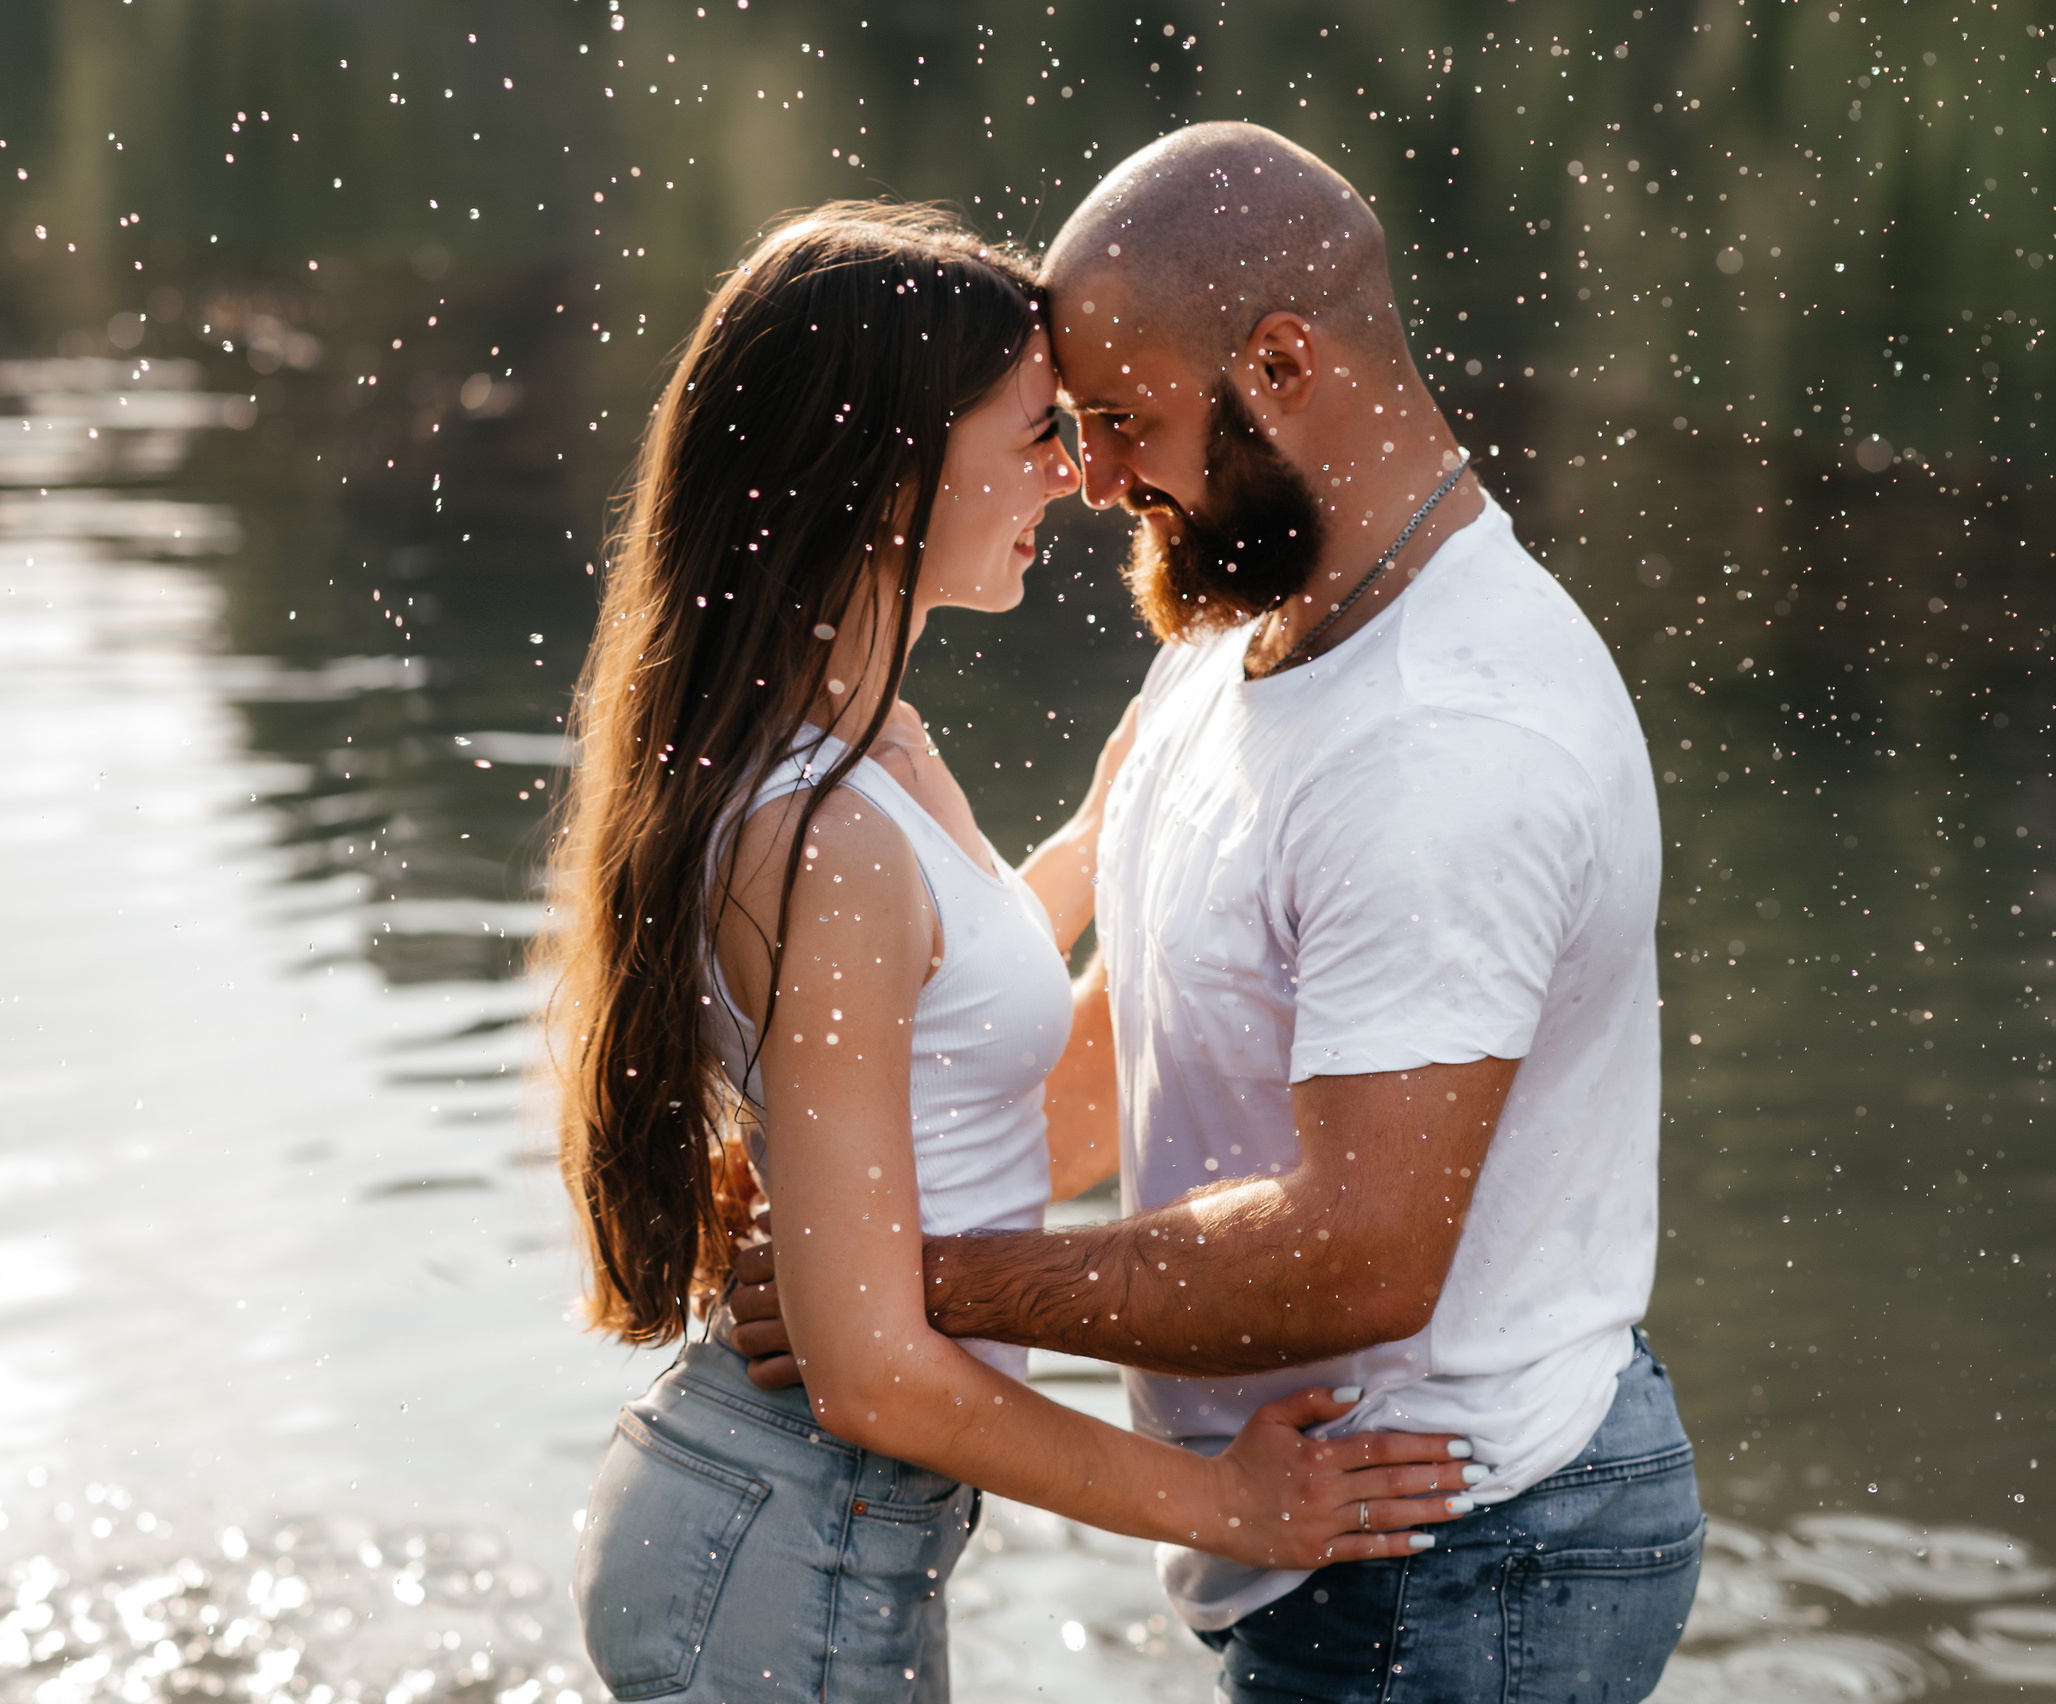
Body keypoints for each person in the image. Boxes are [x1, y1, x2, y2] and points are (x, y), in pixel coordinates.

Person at [730, 129, 1706, 1702]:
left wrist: (918, 1282)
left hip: (1460, 1557)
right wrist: (847, 1242)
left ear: (1283, 362)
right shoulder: (1237, 628)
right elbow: (1146, 1043)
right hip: (1328, 1538)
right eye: (1076, 426)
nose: (1094, 478)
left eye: (1125, 422)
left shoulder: (1449, 738)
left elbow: (1355, 1255)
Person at [540, 203, 1477, 1704]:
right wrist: (1226, 1506)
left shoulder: (873, 751)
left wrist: (1101, 840)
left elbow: (943, 999)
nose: (1079, 476)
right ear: (892, 473)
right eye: (1040, 433)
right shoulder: (827, 839)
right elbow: (870, 1372)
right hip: (786, 1545)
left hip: (802, 1530)